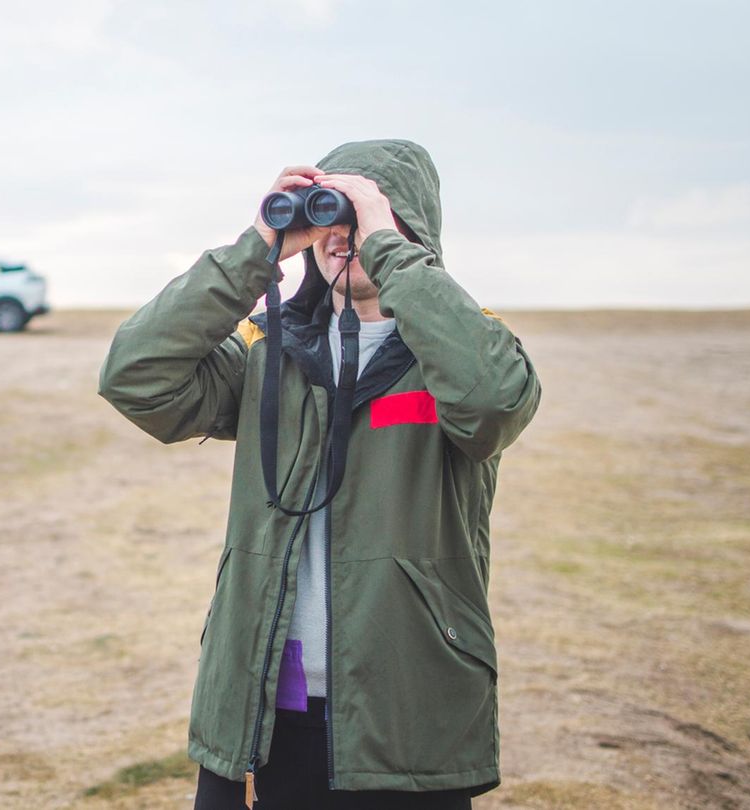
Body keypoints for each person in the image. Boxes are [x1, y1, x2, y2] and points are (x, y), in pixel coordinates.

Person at [98, 140, 541, 809]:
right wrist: (257, 249)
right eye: (329, 214)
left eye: (361, 214)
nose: (342, 234)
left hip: (403, 712)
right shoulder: (268, 349)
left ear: (408, 229)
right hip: (264, 700)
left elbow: (490, 405)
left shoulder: (466, 351)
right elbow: (135, 378)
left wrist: (388, 250)